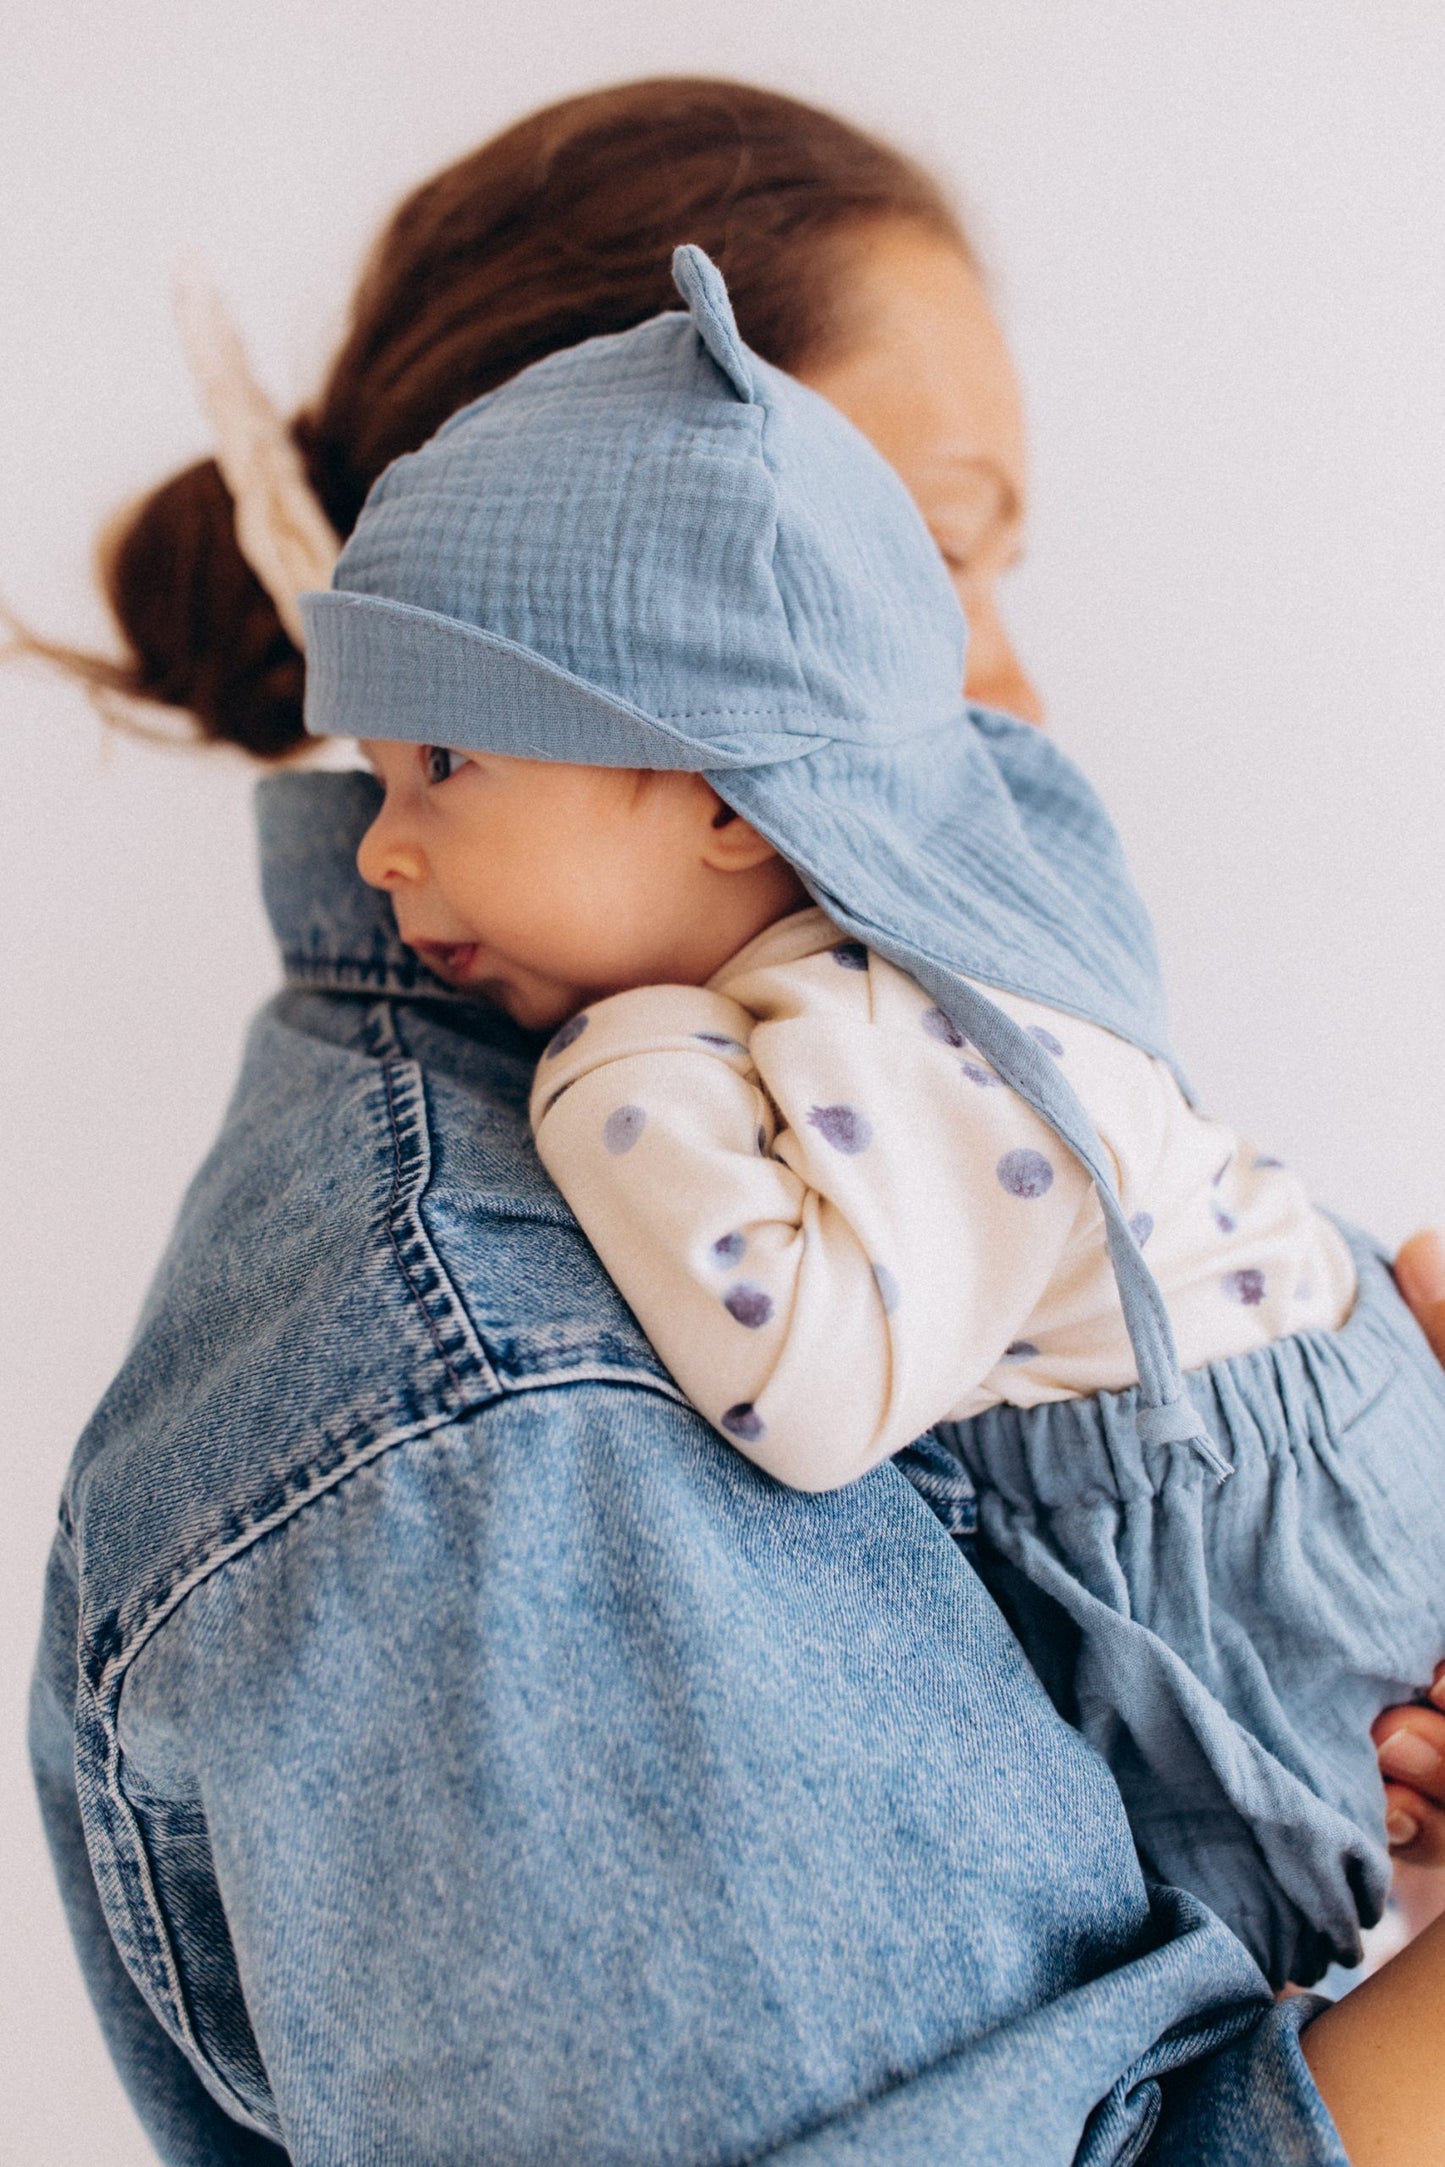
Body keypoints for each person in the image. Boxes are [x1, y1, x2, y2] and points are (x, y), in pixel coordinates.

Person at [22, 76, 1445, 2167]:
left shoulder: (781, 1117)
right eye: (921, 559)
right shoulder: (512, 1424)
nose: (1013, 697)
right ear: (611, 614)